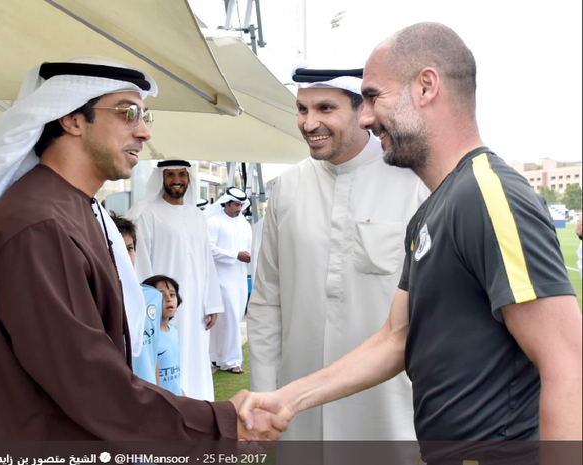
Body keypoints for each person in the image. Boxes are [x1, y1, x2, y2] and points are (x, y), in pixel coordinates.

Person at [239, 23, 582, 462]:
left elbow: (568, 365)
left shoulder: (490, 195)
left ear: (426, 87)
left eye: (374, 98)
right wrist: (288, 399)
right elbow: (395, 338)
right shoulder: (435, 206)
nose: (365, 117)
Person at [0, 56, 286, 441]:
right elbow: (86, 379)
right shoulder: (40, 226)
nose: (143, 132)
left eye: (145, 117)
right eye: (128, 113)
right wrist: (221, 424)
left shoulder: (73, 209)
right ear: (71, 119)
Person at [246, 62, 428, 443]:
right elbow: (266, 300)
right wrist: (265, 392)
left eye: (325, 108)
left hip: (388, 409)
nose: (309, 123)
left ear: (364, 111)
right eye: (302, 109)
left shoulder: (413, 183)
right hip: (296, 407)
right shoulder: (288, 188)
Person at [127, 160, 224, 401]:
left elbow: (207, 262)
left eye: (181, 174)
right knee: (168, 356)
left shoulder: (197, 215)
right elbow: (141, 264)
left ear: (189, 179)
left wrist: (211, 303)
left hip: (195, 305)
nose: (176, 180)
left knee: (195, 353)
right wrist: (151, 306)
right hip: (163, 305)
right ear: (161, 178)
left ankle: (200, 403)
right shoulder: (147, 214)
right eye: (170, 175)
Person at [206, 187, 253, 374]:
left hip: (240, 278)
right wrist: (235, 255)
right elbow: (209, 249)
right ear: (225, 203)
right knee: (230, 318)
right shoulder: (213, 222)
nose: (239, 208)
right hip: (221, 279)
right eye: (235, 204)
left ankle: (217, 357)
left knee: (233, 317)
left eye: (241, 204)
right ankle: (233, 361)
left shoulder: (244, 224)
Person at [112, 214, 161, 385]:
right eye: (117, 249)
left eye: (129, 248)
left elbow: (152, 354)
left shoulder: (153, 297)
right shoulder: (95, 300)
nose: (125, 256)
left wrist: (159, 393)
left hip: (150, 395)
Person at [143, 275, 185, 396]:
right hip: (161, 403)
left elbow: (174, 372)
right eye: (161, 295)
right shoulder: (147, 337)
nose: (168, 299)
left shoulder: (173, 331)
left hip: (177, 399)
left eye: (172, 294)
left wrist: (182, 395)